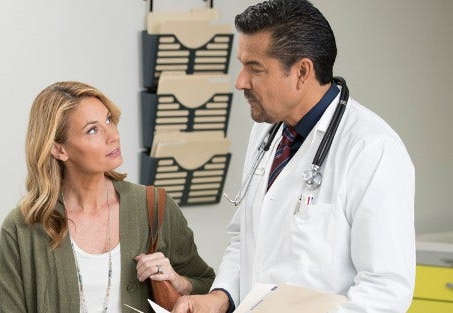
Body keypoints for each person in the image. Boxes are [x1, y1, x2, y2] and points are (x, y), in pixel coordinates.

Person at [172, 0, 415, 312]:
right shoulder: (265, 133)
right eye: (242, 65)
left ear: (302, 72)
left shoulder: (371, 149)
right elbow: (244, 240)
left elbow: (386, 289)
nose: (240, 82)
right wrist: (222, 298)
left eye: (255, 68)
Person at [0, 81, 216, 312]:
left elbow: (209, 287)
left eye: (109, 120)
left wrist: (179, 282)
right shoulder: (22, 228)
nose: (113, 136)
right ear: (59, 149)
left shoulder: (155, 207)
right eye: (93, 129)